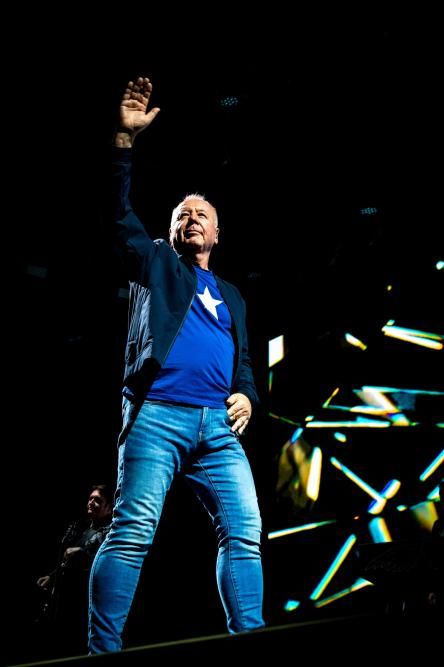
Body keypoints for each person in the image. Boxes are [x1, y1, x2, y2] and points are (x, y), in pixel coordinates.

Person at [88, 76, 264, 654]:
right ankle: (102, 653)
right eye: (181, 213)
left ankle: (252, 640)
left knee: (244, 531)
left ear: (217, 232)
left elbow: (243, 363)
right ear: (169, 230)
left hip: (218, 427)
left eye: (201, 214)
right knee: (133, 530)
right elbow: (116, 214)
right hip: (157, 416)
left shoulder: (233, 295)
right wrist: (123, 140)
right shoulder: (156, 261)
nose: (191, 218)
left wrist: (247, 395)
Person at [36, 484, 113, 656]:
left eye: (97, 500)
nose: (91, 502)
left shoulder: (109, 533)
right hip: (63, 599)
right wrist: (52, 576)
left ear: (109, 508)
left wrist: (83, 554)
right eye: (90, 498)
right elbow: (67, 561)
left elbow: (103, 562)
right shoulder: (81, 529)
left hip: (81, 602)